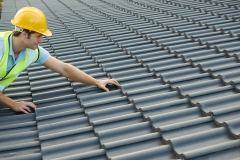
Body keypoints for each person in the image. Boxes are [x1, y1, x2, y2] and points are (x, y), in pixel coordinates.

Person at [0, 7, 120, 114]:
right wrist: (13, 104)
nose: (41, 40)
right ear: (24, 34)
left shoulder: (33, 52)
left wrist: (96, 81)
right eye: (38, 36)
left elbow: (64, 68)